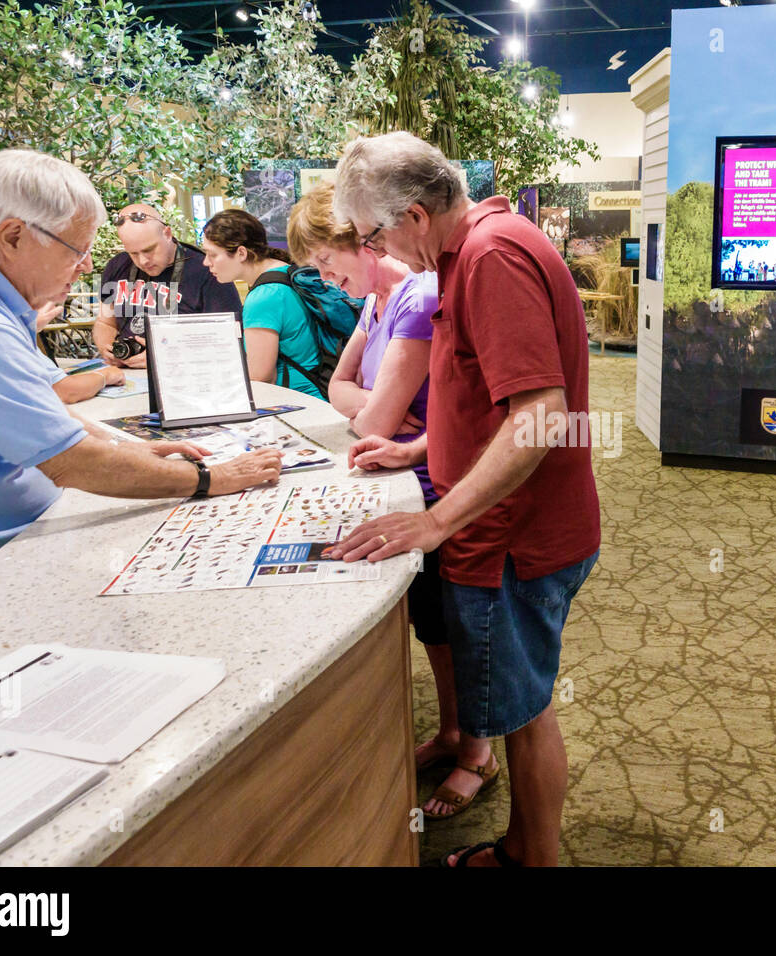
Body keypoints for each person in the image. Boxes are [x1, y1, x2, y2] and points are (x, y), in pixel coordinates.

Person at [325, 132, 600, 866]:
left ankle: (530, 858)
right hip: (510, 529)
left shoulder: (489, 256)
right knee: (520, 708)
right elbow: (485, 393)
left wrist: (436, 519)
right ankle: (522, 846)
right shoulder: (482, 245)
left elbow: (540, 413)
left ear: (414, 215)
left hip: (512, 537)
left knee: (525, 714)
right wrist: (420, 450)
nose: (376, 253)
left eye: (373, 235)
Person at [0, 150, 283, 585]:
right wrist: (211, 477)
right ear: (14, 236)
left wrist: (133, 449)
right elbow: (69, 461)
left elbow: (46, 414)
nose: (88, 266)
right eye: (78, 249)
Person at [288, 184, 471, 818]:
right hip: (395, 484)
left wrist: (373, 414)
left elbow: (375, 419)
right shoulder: (375, 302)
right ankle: (453, 734)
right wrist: (371, 412)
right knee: (432, 624)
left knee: (455, 623)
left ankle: (476, 750)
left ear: (357, 241)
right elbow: (337, 387)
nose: (323, 277)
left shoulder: (418, 295)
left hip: (430, 493)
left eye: (324, 261)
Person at [94, 203, 242, 368]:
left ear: (167, 233)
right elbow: (105, 322)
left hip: (183, 372)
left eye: (149, 250)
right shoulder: (117, 265)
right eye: (133, 253)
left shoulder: (208, 271)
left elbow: (228, 338)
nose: (143, 261)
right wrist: (106, 348)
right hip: (124, 374)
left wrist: (167, 356)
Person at [201, 210, 322, 400]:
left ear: (241, 253)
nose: (206, 262)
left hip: (297, 400)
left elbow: (260, 376)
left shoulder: (263, 297)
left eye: (212, 254)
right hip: (316, 391)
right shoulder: (283, 268)